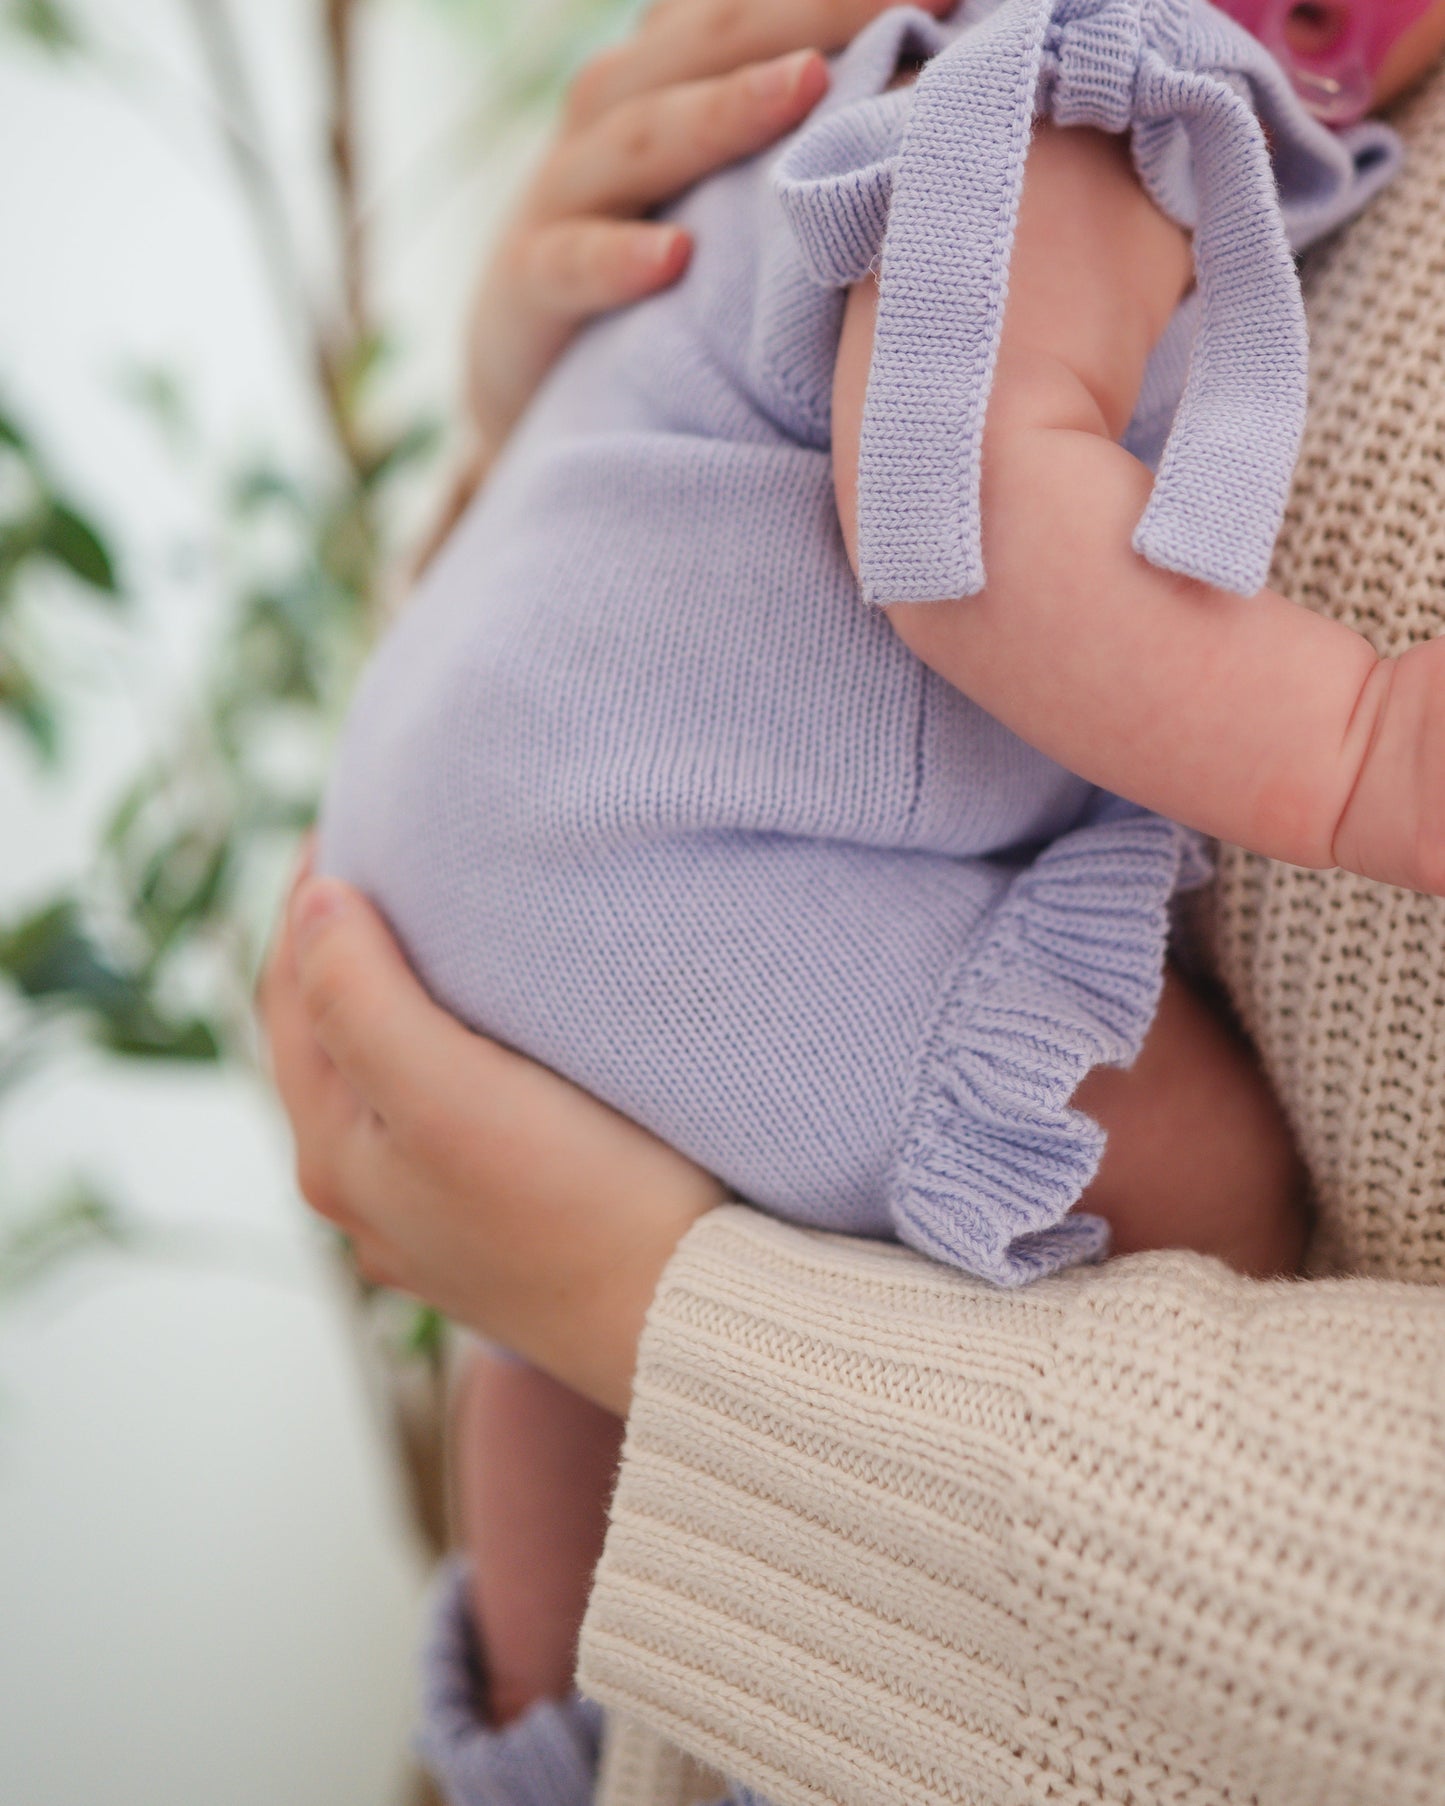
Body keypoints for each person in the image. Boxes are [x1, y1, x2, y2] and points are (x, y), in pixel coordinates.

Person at [261, 2, 1445, 1801]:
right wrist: (1356, 741)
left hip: (501, 785)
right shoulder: (1082, 89)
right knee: (1194, 1169)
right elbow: (966, 526)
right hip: (638, 821)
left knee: (553, 1337)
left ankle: (530, 1729)